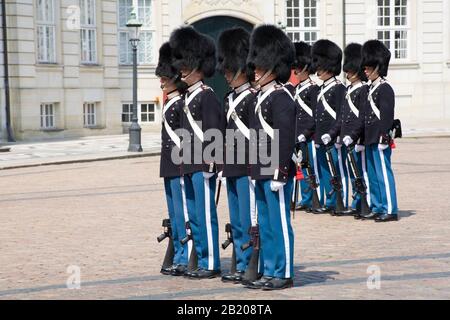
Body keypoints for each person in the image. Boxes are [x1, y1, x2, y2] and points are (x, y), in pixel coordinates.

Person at [245, 24, 296, 290]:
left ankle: (284, 271)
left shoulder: (281, 98)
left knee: (279, 224)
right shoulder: (260, 98)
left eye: (259, 65)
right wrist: (254, 171)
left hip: (276, 172)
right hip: (260, 169)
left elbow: (285, 138)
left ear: (272, 67)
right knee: (264, 225)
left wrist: (279, 171)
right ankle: (268, 268)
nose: (254, 70)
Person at [169, 26, 222, 278]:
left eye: (185, 64)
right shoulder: (188, 98)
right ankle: (200, 258)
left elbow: (213, 132)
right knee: (194, 216)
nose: (180, 69)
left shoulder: (206, 96)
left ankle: (210, 262)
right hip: (187, 163)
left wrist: (212, 166)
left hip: (202, 166)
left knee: (205, 214)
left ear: (197, 66)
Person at [216, 27, 258, 284]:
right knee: (236, 221)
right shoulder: (229, 98)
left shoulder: (253, 98)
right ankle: (241, 263)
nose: (227, 74)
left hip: (247, 167)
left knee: (249, 218)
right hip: (231, 166)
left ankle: (253, 262)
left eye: (230, 69)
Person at [349, 39, 398, 222]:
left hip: (379, 139)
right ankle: (378, 206)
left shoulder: (385, 89)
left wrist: (384, 138)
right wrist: (356, 137)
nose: (366, 70)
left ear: (378, 66)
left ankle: (390, 208)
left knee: (384, 175)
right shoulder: (369, 89)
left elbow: (386, 116)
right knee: (373, 176)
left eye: (369, 67)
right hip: (369, 138)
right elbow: (363, 117)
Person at [156, 42, 188, 276]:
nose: (162, 82)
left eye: (165, 78)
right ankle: (177, 253)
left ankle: (185, 256)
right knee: (174, 214)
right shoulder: (171, 102)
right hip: (168, 163)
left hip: (179, 163)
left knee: (183, 212)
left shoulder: (181, 103)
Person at [327, 43, 370, 216]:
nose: (348, 74)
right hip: (346, 137)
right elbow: (342, 117)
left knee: (361, 173)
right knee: (352, 172)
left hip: (357, 138)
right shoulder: (349, 90)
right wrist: (336, 135)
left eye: (351, 71)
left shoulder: (363, 90)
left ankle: (364, 202)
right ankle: (356, 201)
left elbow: (362, 118)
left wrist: (357, 138)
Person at [286, 41, 324, 213]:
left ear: (305, 68)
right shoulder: (295, 89)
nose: (295, 72)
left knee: (312, 169)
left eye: (297, 69)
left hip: (309, 136)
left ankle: (316, 199)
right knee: (301, 168)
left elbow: (315, 115)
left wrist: (306, 133)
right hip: (297, 135)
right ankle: (306, 198)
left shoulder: (313, 89)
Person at [312, 40, 348, 214]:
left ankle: (340, 200)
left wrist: (338, 136)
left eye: (321, 66)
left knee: (337, 171)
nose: (317, 69)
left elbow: (342, 114)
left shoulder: (339, 88)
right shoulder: (320, 89)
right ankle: (330, 200)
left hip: (333, 137)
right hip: (321, 137)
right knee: (325, 172)